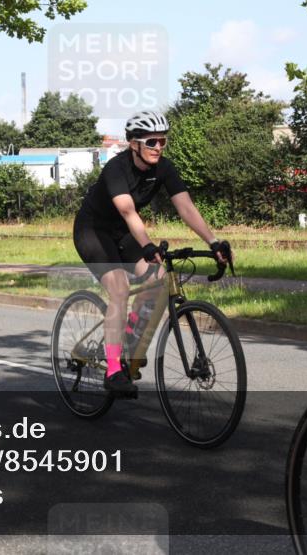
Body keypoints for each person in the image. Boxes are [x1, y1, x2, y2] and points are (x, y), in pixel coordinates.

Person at [73, 110, 231, 397]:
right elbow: (127, 211)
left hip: (123, 232)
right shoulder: (116, 169)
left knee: (158, 277)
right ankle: (113, 371)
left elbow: (186, 208)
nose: (158, 147)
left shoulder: (164, 168)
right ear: (134, 143)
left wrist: (213, 242)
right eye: (152, 142)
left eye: (162, 141)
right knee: (119, 287)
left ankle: (130, 341)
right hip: (93, 231)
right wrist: (147, 244)